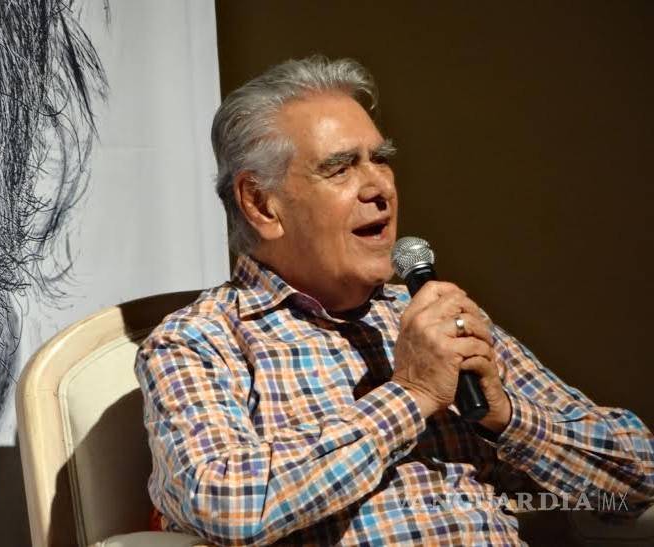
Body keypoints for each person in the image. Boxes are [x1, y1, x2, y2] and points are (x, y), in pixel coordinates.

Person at [135, 56, 654, 546]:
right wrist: (410, 396)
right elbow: (229, 504)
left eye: (380, 160)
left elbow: (640, 474)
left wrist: (510, 417)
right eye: (341, 168)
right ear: (261, 204)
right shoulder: (200, 341)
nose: (379, 186)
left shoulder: (432, 320)